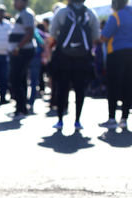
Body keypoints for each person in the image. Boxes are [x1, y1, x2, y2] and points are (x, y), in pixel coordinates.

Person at [49, 0, 99, 130]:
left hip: (63, 58)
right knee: (80, 90)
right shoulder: (90, 13)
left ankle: (60, 120)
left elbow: (53, 32)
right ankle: (77, 121)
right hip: (83, 59)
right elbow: (95, 35)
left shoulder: (62, 12)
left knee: (61, 88)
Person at [98, 0, 132, 129]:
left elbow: (104, 37)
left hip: (116, 54)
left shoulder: (116, 16)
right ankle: (124, 119)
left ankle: (112, 118)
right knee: (128, 86)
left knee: (113, 86)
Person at [8, 0, 36, 119]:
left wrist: (18, 47)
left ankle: (21, 108)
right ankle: (21, 108)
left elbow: (29, 33)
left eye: (16, 1)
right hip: (20, 51)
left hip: (23, 51)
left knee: (14, 78)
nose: (14, 3)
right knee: (20, 79)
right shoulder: (22, 14)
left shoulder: (27, 14)